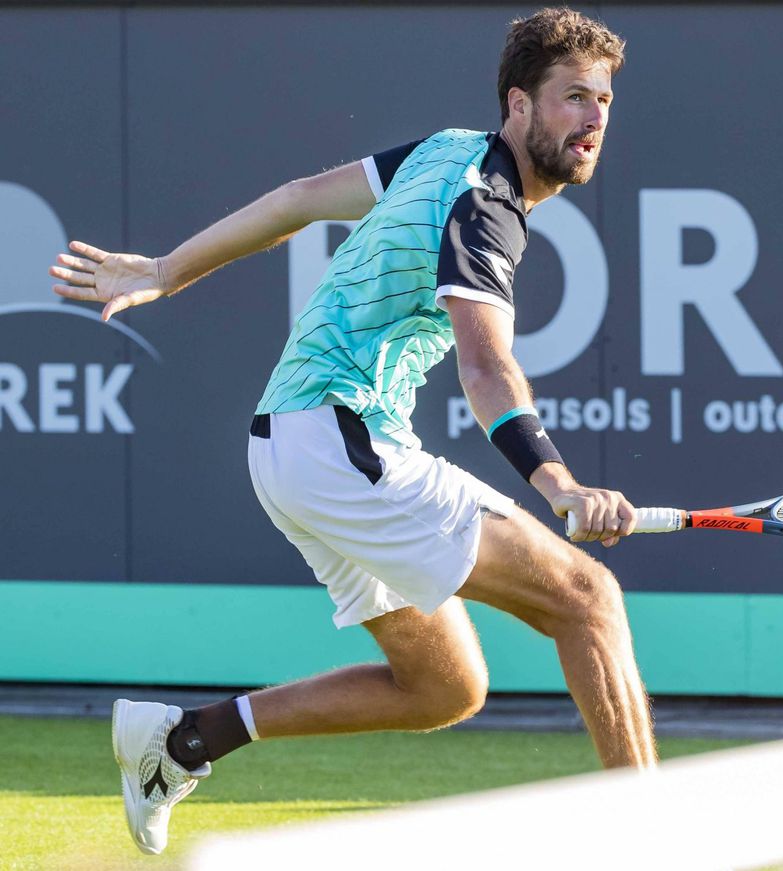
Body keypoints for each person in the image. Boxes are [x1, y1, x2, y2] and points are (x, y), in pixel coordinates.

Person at [50, 7, 656, 856]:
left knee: (444, 684)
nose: (592, 120)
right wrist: (557, 482)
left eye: (602, 101)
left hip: (288, 447)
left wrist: (164, 268)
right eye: (571, 99)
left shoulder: (448, 148)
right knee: (590, 602)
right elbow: (487, 370)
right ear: (519, 105)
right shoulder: (485, 206)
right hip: (339, 441)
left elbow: (301, 199)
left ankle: (182, 742)